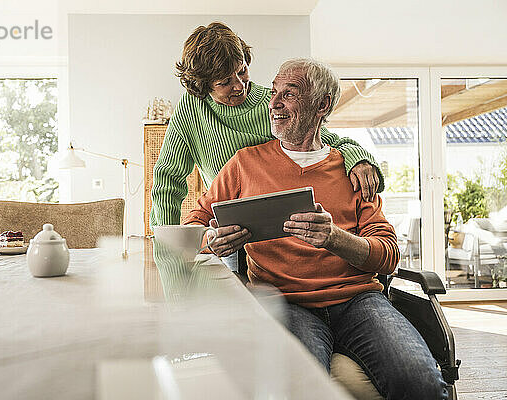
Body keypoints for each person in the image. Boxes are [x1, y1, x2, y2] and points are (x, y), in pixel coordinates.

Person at [184, 58, 448, 400]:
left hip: (359, 301)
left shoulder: (353, 171)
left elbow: (388, 256)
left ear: (321, 104)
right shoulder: (245, 164)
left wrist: (336, 239)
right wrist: (211, 239)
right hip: (285, 303)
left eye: (289, 94)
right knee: (302, 390)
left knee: (421, 383)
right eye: (274, 93)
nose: (274, 103)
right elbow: (195, 222)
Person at [150, 22, 383, 235]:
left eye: (241, 71)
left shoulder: (273, 106)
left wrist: (358, 159)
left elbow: (324, 139)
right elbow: (168, 179)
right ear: (203, 86)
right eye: (224, 82)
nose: (239, 86)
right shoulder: (192, 109)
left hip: (279, 225)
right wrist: (166, 242)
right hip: (230, 230)